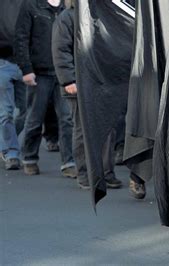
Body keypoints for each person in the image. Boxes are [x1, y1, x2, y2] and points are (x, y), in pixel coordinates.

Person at [51, 0, 122, 189]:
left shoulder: (102, 17)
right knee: (82, 130)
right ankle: (85, 174)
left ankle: (106, 173)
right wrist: (68, 80)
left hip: (103, 83)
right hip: (78, 85)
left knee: (108, 129)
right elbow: (60, 50)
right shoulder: (66, 18)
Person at [14, 0, 76, 177]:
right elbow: (21, 38)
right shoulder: (30, 5)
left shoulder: (68, 7)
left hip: (63, 74)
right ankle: (30, 158)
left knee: (67, 119)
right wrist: (26, 69)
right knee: (34, 118)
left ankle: (68, 162)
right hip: (39, 72)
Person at [0, 0, 24, 170]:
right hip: (2, 62)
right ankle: (11, 152)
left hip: (26, 63)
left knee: (25, 112)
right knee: (6, 112)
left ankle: (5, 142)